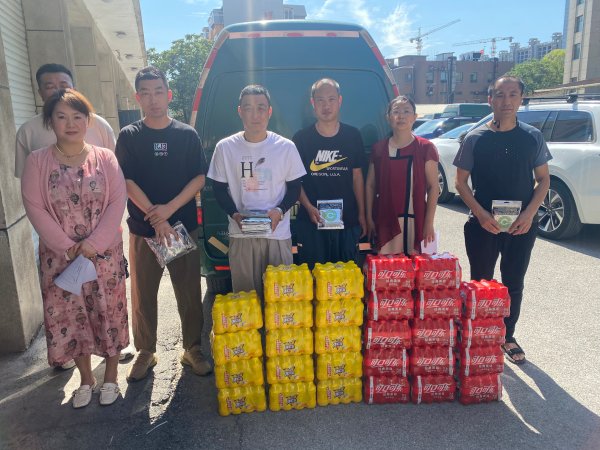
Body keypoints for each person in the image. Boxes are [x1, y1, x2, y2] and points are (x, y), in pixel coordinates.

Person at [21, 89, 128, 408]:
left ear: (88, 120)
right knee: (72, 315)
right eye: (62, 116)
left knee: (108, 311)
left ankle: (111, 376)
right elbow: (34, 207)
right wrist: (67, 248)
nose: (70, 123)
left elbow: (117, 200)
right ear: (50, 121)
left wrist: (94, 244)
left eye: (77, 116)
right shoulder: (37, 161)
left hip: (103, 256)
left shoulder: (105, 158)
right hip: (61, 259)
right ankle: (85, 378)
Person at [116, 66, 211, 381]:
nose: (153, 99)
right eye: (146, 93)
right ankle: (146, 351)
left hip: (182, 229)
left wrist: (169, 211)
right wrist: (157, 218)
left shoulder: (186, 135)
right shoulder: (129, 136)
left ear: (168, 94)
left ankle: (192, 349)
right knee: (143, 294)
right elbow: (126, 181)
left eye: (158, 91)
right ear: (138, 98)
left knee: (189, 291)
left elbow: (199, 177)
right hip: (144, 232)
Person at [453, 76, 551, 365]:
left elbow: (543, 180)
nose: (506, 101)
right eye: (499, 95)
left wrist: (529, 214)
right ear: (490, 100)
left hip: (521, 225)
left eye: (512, 94)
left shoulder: (532, 136)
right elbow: (460, 182)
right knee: (481, 283)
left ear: (521, 99)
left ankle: (508, 335)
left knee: (513, 282)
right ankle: (480, 336)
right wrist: (480, 213)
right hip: (483, 225)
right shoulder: (474, 138)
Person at [207, 84, 306, 298]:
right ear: (239, 111)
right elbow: (219, 189)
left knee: (281, 300)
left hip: (277, 235)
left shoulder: (285, 147)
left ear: (269, 111)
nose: (255, 114)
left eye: (261, 108)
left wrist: (280, 210)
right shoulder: (225, 147)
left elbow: (295, 187)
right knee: (246, 299)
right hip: (241, 234)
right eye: (248, 108)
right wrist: (235, 214)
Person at [292, 78, 366, 267]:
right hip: (312, 222)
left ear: (339, 101)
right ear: (313, 103)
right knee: (314, 278)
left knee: (346, 277)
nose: (326, 106)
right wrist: (308, 207)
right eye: (320, 100)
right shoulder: (301, 139)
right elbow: (294, 181)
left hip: (347, 221)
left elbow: (357, 177)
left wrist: (362, 214)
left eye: (331, 99)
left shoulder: (353, 135)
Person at [366, 95, 439, 255]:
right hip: (385, 221)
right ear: (388, 117)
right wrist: (368, 217)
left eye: (406, 111)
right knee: (386, 267)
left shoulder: (425, 148)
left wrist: (429, 223)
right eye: (396, 111)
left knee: (416, 266)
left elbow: (434, 187)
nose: (401, 116)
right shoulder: (379, 149)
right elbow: (370, 185)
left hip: (416, 220)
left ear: (415, 117)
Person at [15, 63, 116, 178]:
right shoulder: (27, 131)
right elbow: (26, 178)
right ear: (40, 93)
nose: (58, 91)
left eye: (63, 85)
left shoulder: (99, 125)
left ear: (74, 90)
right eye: (50, 87)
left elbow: (115, 170)